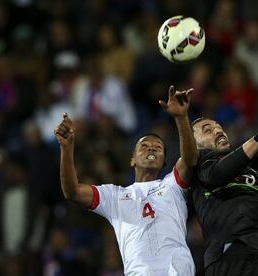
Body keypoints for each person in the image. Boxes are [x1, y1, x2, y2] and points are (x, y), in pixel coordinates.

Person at [54, 86, 197, 275]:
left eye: (158, 147)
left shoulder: (173, 185)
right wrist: (66, 149)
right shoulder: (114, 196)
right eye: (144, 146)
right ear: (132, 160)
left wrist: (181, 118)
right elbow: (72, 192)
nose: (151, 148)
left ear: (164, 163)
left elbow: (190, 160)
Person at [191, 112, 258, 276]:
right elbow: (218, 174)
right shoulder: (198, 171)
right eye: (207, 130)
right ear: (194, 145)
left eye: (219, 127)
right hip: (228, 256)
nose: (218, 131)